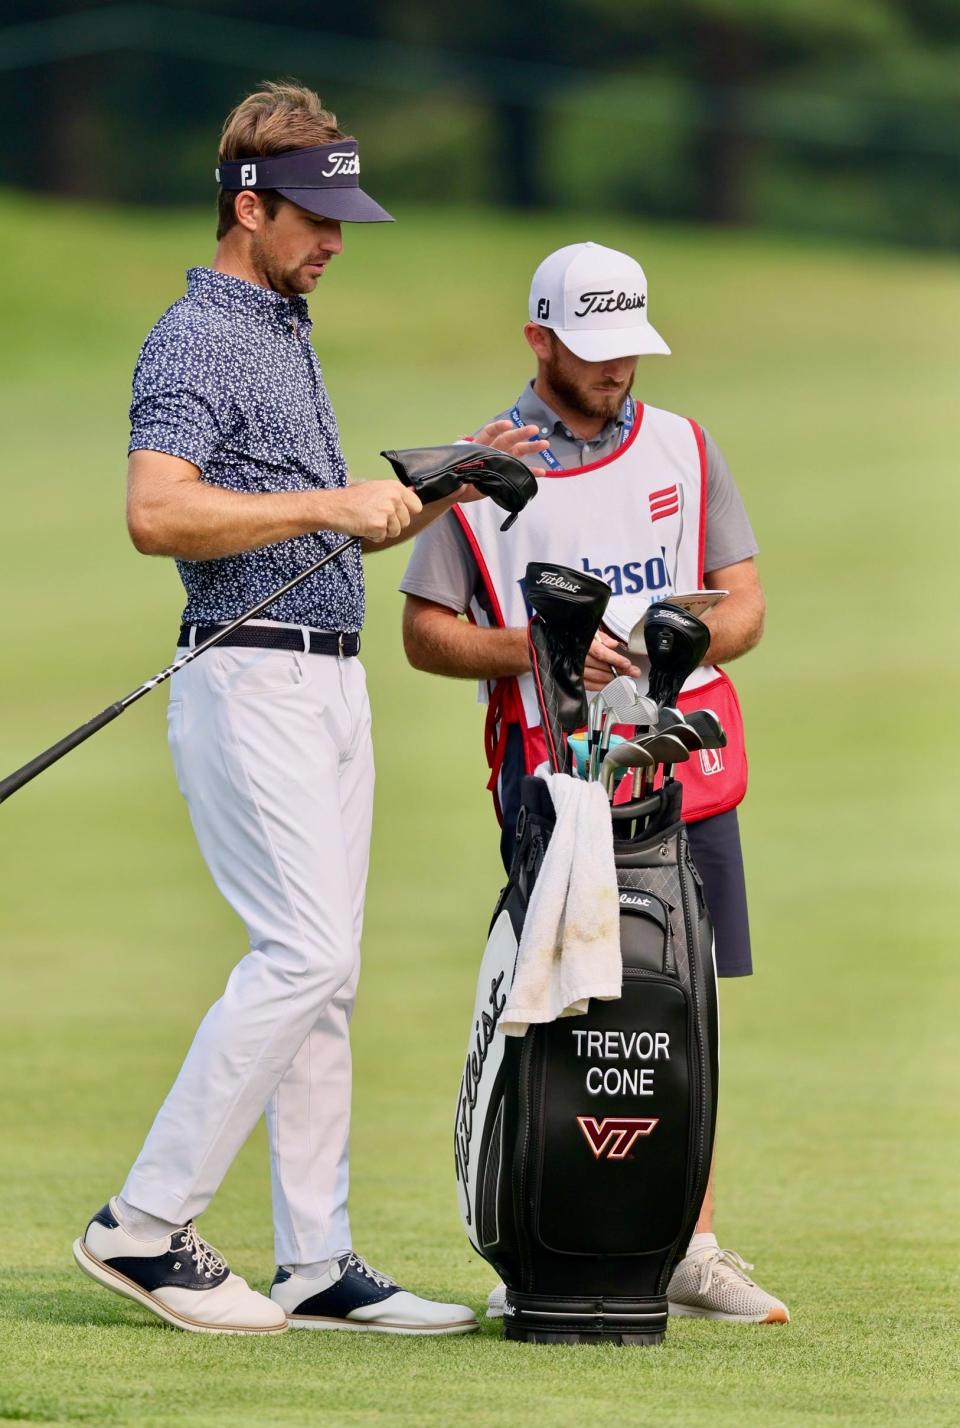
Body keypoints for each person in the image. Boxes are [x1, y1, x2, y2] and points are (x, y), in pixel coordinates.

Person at [71, 81, 527, 1338]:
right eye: (315, 221)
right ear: (248, 205)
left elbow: (318, 524)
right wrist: (332, 502)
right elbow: (156, 511)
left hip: (325, 677)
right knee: (304, 953)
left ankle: (316, 1263)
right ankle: (144, 1225)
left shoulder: (281, 324)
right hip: (249, 676)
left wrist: (446, 481)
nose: (334, 242)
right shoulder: (196, 336)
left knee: (330, 979)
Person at [400, 241, 790, 1325]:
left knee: (687, 1005)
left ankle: (687, 1244)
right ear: (540, 340)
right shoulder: (480, 478)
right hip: (553, 781)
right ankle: (538, 1229)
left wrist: (678, 635)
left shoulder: (684, 446)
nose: (618, 371)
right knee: (553, 1008)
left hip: (684, 767)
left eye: (629, 349)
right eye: (594, 350)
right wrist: (545, 650)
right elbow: (427, 636)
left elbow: (744, 602)